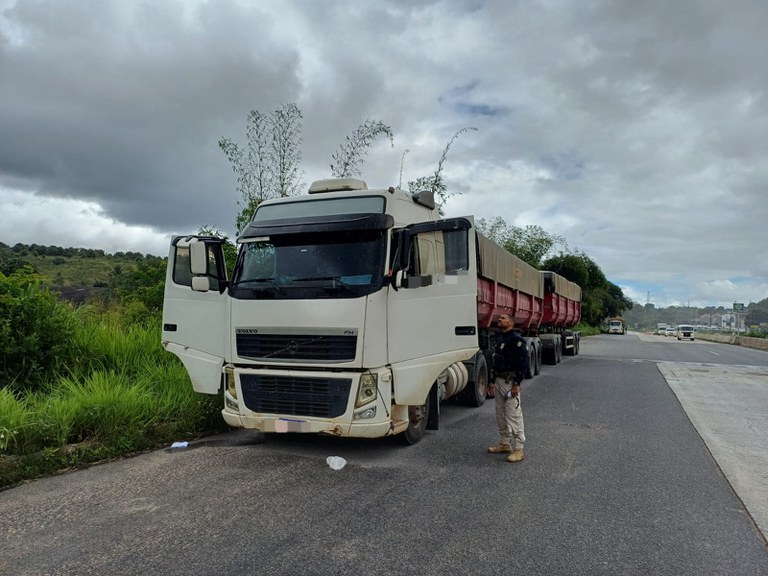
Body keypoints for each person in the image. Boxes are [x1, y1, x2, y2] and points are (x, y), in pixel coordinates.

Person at [487, 314, 529, 463]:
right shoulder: (501, 340)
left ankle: (519, 449)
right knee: (500, 414)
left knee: (514, 415)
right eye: (499, 318)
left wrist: (517, 384)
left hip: (510, 382)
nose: (499, 319)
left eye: (503, 318)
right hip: (499, 381)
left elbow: (524, 363)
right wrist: (492, 381)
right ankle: (505, 443)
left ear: (511, 322)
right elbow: (495, 362)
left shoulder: (516, 340)